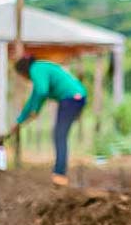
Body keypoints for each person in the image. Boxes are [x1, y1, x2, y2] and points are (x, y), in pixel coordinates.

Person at [11, 56, 86, 186]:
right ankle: (59, 173)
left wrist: (36, 109)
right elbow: (33, 98)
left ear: (23, 72)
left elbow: (42, 91)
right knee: (59, 135)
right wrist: (20, 120)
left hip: (72, 98)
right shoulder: (40, 70)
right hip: (74, 98)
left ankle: (60, 174)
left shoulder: (36, 68)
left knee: (59, 135)